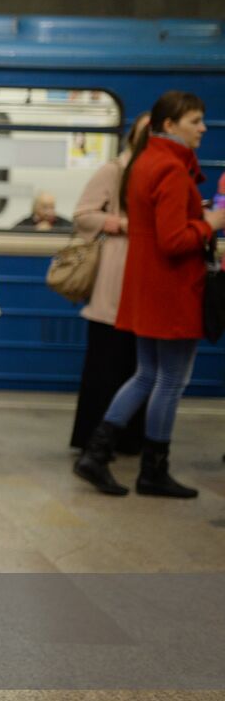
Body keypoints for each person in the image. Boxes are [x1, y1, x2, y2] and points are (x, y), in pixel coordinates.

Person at [74, 91, 225, 498]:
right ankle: (153, 470)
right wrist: (210, 222)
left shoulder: (143, 162)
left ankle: (96, 452)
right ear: (170, 125)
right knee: (171, 380)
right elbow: (173, 240)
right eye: (195, 121)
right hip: (173, 289)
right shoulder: (172, 169)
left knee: (146, 375)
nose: (203, 128)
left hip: (145, 286)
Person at [69, 112, 150, 454]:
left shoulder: (160, 174)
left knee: (140, 366)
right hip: (114, 281)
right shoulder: (114, 170)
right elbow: (83, 215)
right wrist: (120, 223)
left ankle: (130, 438)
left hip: (147, 284)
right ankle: (93, 437)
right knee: (106, 364)